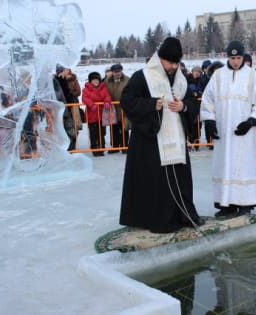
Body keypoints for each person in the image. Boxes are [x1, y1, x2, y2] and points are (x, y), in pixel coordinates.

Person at [119, 37, 203, 233]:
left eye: (176, 62)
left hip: (177, 142)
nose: (173, 66)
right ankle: (157, 219)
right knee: (157, 182)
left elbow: (193, 103)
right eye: (170, 62)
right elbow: (127, 100)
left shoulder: (181, 79)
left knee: (179, 180)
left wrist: (184, 106)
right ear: (160, 59)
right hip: (153, 142)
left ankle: (182, 215)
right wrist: (150, 105)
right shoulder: (144, 76)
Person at [200, 40, 256, 218]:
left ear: (243, 57)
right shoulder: (218, 76)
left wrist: (252, 121)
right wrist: (209, 121)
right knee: (223, 165)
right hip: (224, 133)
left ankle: (244, 203)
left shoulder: (252, 75)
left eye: (238, 58)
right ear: (227, 57)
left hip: (244, 134)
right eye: (232, 58)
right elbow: (207, 100)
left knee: (244, 166)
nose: (236, 61)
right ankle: (226, 204)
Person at [82, 71, 112, 157]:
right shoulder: (86, 89)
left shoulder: (103, 88)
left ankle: (101, 148)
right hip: (92, 114)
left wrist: (107, 102)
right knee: (93, 133)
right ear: (90, 81)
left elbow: (107, 96)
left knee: (101, 133)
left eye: (97, 80)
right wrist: (91, 105)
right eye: (94, 80)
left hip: (102, 114)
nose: (95, 81)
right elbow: (85, 98)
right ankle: (94, 149)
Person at [53, 66, 82, 151]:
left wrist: (71, 94)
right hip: (63, 107)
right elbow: (60, 94)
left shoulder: (67, 80)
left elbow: (77, 91)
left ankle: (72, 145)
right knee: (66, 127)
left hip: (71, 105)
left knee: (72, 126)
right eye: (65, 70)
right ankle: (68, 146)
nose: (67, 71)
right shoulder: (58, 81)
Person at [104, 63, 130, 154]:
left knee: (124, 128)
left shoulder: (127, 80)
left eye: (118, 71)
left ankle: (124, 146)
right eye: (115, 72)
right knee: (113, 128)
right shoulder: (107, 81)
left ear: (121, 71)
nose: (117, 73)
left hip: (123, 108)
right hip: (112, 108)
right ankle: (114, 146)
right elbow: (104, 92)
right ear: (112, 72)